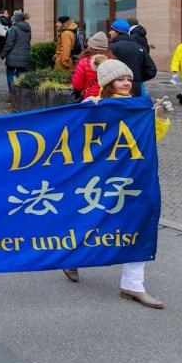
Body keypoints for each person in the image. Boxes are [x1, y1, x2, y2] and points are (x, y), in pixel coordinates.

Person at [62, 56, 173, 309]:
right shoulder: (96, 105)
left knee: (139, 223)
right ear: (108, 83)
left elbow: (151, 139)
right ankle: (73, 255)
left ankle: (133, 286)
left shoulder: (136, 107)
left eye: (129, 80)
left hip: (133, 176)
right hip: (101, 177)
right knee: (96, 219)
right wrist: (85, 111)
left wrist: (160, 118)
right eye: (121, 79)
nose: (126, 83)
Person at [108, 19, 156, 96]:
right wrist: (136, 80)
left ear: (117, 32)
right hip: (135, 89)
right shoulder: (139, 48)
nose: (110, 32)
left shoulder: (112, 48)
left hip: (116, 89)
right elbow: (151, 70)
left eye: (111, 30)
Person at [71, 31, 111, 101]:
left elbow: (77, 85)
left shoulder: (84, 62)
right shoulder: (112, 61)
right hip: (108, 98)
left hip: (90, 99)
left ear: (90, 46)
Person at [0, 11, 31, 102]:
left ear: (15, 20)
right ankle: (19, 95)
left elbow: (9, 43)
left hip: (13, 55)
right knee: (20, 75)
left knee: (10, 74)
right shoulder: (28, 28)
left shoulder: (14, 29)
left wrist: (3, 54)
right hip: (24, 55)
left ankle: (12, 94)